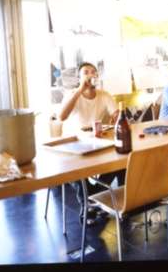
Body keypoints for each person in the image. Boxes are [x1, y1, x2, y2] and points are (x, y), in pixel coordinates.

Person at [59, 62, 122, 225]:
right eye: (86, 72)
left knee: (121, 162)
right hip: (73, 146)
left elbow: (116, 114)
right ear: (79, 77)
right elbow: (61, 116)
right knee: (77, 170)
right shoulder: (72, 94)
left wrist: (117, 116)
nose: (90, 75)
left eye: (93, 72)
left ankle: (94, 196)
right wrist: (80, 89)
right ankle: (87, 204)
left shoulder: (104, 95)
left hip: (97, 142)